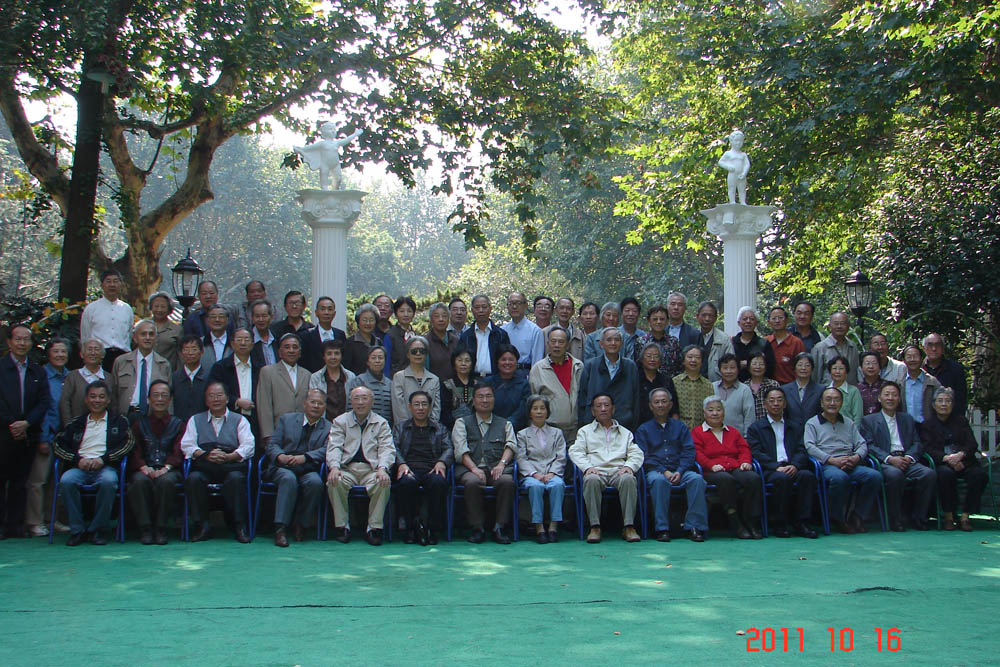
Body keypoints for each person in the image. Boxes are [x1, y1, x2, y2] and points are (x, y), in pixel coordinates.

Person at [53, 380, 131, 545]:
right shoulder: (76, 423)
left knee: (109, 481)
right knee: (66, 481)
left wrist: (103, 459)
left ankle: (97, 530)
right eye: (93, 396)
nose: (97, 400)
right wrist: (77, 460)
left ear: (108, 400)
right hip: (79, 466)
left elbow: (128, 444)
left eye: (101, 397)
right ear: (86, 400)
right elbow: (58, 444)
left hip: (106, 467)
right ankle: (77, 530)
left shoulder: (119, 421)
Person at [181, 381, 255, 542]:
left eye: (219, 395)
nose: (216, 399)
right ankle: (202, 526)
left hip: (230, 466)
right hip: (205, 465)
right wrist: (206, 454)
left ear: (227, 398)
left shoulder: (240, 420)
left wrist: (230, 456)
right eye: (211, 396)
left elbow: (249, 446)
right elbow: (187, 445)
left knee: (236, 479)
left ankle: (239, 526)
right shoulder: (195, 420)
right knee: (193, 479)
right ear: (206, 400)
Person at [860, 382, 936, 531]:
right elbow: (869, 445)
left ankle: (919, 518)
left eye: (894, 395)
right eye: (887, 394)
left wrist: (909, 457)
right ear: (879, 398)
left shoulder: (907, 419)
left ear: (899, 399)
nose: (890, 398)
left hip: (907, 460)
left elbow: (917, 442)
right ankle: (895, 519)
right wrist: (889, 459)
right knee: (895, 475)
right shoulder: (869, 420)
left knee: (928, 474)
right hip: (886, 462)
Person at [634, 388, 708, 542]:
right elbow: (643, 456)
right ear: (650, 406)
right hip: (655, 470)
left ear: (670, 405)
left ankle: (694, 527)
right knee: (659, 481)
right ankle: (662, 528)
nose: (660, 405)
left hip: (680, 470)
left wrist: (680, 471)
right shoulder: (643, 430)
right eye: (656, 402)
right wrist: (664, 471)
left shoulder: (680, 427)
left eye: (664, 401)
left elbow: (689, 452)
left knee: (697, 480)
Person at [804, 387, 881, 534]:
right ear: (821, 403)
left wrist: (856, 457)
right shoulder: (812, 423)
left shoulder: (848, 422)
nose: (832, 403)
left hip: (850, 462)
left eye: (836, 400)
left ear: (841, 403)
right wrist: (831, 460)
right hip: (827, 465)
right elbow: (810, 447)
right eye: (828, 399)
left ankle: (857, 515)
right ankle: (837, 518)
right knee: (839, 478)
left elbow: (862, 444)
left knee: (874, 476)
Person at [326, 386, 395, 545]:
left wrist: (383, 468)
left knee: (383, 482)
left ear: (372, 401)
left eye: (364, 398)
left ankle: (374, 528)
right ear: (350, 402)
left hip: (371, 470)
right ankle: (342, 527)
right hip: (347, 469)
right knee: (334, 481)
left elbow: (387, 448)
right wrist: (334, 467)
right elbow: (334, 446)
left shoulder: (381, 423)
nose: (360, 402)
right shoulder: (340, 421)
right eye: (356, 398)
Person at [570, 393, 643, 543]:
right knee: (590, 479)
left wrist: (629, 466)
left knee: (629, 479)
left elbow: (636, 453)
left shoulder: (625, 433)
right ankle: (595, 527)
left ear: (613, 409)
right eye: (599, 406)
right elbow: (575, 451)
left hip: (618, 470)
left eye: (606, 405)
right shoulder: (585, 431)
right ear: (593, 411)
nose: (603, 409)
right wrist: (587, 467)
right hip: (596, 470)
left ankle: (629, 526)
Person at [745, 388, 818, 538]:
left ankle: (802, 522)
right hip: (770, 469)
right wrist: (775, 466)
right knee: (782, 479)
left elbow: (802, 449)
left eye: (779, 400)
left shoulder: (795, 426)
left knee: (807, 476)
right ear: (765, 404)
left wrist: (795, 465)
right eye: (771, 400)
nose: (776, 404)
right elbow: (756, 453)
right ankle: (779, 523)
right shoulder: (756, 428)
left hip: (792, 466)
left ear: (785, 404)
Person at [0, 324, 51, 538]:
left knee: (21, 481)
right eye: (18, 339)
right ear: (9, 342)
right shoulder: (1, 367)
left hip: (28, 433)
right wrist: (13, 424)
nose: (22, 343)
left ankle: (15, 524)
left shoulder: (37, 370)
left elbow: (44, 401)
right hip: (4, 433)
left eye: (26, 339)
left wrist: (26, 423)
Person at [451, 383, 517, 544]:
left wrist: (501, 464)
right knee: (472, 482)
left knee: (507, 482)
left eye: (488, 396)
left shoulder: (505, 424)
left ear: (494, 399)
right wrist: (474, 468)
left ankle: (499, 527)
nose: (485, 400)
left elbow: (511, 446)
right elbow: (460, 450)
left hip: (496, 467)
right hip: (469, 468)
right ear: (473, 401)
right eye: (480, 397)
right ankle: (477, 527)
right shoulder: (462, 422)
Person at [264, 389, 329, 547]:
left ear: (325, 407)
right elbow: (272, 444)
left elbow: (327, 449)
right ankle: (280, 528)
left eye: (320, 403)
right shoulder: (287, 419)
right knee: (288, 479)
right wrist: (280, 456)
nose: (316, 406)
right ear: (304, 404)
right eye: (312, 402)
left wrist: (305, 457)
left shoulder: (329, 427)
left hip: (307, 467)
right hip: (283, 466)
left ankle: (301, 525)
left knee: (315, 483)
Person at [692, 396, 763, 539]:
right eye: (710, 410)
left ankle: (751, 522)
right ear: (704, 414)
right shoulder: (697, 432)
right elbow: (697, 453)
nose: (715, 413)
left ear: (724, 413)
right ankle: (736, 522)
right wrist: (711, 465)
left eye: (718, 410)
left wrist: (745, 461)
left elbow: (743, 448)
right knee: (726, 480)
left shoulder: (732, 431)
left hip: (734, 466)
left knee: (753, 478)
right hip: (711, 470)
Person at [920, 387, 988, 531]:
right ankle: (948, 516)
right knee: (945, 475)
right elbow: (927, 448)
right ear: (934, 405)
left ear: (953, 404)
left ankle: (965, 516)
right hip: (942, 463)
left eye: (947, 401)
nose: (944, 404)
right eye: (940, 401)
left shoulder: (961, 421)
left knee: (979, 475)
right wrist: (947, 459)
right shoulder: (927, 425)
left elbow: (972, 444)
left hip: (964, 462)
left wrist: (960, 456)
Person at [392, 390, 452, 545]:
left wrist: (442, 462)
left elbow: (449, 448)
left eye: (424, 404)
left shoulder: (440, 428)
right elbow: (393, 448)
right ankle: (411, 527)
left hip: (432, 468)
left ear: (430, 407)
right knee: (406, 483)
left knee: (439, 482)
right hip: (409, 468)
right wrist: (401, 463)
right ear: (410, 407)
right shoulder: (400, 428)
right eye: (416, 404)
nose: (420, 408)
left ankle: (432, 528)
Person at [127, 380, 183, 545]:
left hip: (169, 469)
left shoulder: (178, 424)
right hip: (144, 469)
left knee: (166, 482)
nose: (160, 399)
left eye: (164, 395)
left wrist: (166, 468)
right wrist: (144, 467)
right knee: (139, 482)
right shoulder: (139, 424)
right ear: (148, 399)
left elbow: (179, 450)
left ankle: (161, 528)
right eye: (155, 395)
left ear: (170, 399)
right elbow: (134, 450)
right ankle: (145, 528)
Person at [25, 338, 69, 537]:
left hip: (63, 438)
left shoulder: (69, 376)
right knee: (38, 480)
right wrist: (42, 438)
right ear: (48, 354)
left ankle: (52, 519)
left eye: (63, 351)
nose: (60, 355)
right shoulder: (41, 375)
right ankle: (34, 521)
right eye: (56, 351)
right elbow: (41, 408)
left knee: (55, 480)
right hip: (46, 434)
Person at [516, 395, 566, 544]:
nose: (539, 412)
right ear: (529, 412)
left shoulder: (557, 433)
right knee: (535, 486)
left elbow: (561, 456)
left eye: (542, 408)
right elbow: (521, 458)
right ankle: (539, 528)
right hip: (532, 474)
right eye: (535, 408)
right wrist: (535, 474)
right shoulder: (522, 434)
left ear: (547, 412)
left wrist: (552, 473)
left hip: (552, 472)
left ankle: (553, 527)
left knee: (558, 485)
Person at [578, 327, 641, 431]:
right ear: (601, 344)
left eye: (617, 340)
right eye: (609, 340)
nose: (613, 343)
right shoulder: (591, 366)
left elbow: (636, 399)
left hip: (624, 424)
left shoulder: (630, 366)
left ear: (621, 343)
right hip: (595, 426)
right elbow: (582, 398)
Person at [529, 326, 583, 444]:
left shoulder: (578, 366)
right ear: (548, 343)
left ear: (568, 345)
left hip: (576, 429)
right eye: (553, 341)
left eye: (561, 342)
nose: (556, 345)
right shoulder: (538, 369)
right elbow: (533, 400)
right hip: (549, 430)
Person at [110, 319, 172, 421]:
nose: (147, 337)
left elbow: (169, 396)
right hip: (126, 415)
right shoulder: (121, 362)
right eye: (143, 334)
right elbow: (113, 395)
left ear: (156, 338)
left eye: (151, 334)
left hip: (154, 416)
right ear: (135, 338)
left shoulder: (164, 364)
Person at [257, 333, 312, 442]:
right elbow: (264, 406)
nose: (291, 350)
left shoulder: (307, 374)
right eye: (287, 347)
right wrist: (268, 436)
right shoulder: (268, 372)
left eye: (295, 347)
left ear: (300, 352)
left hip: (302, 434)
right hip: (278, 432)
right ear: (279, 352)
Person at [208, 328, 261, 433]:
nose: (243, 343)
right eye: (239, 339)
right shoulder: (220, 367)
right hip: (228, 419)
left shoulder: (260, 367)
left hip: (255, 420)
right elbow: (212, 392)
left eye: (246, 340)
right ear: (232, 344)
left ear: (252, 344)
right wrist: (236, 401)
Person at [80, 269, 134, 371]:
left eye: (115, 281)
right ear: (102, 285)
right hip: (99, 357)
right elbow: (85, 336)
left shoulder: (127, 309)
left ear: (121, 284)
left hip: (123, 357)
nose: (112, 285)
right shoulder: (91, 309)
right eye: (108, 281)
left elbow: (129, 335)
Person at [391, 336, 441, 425]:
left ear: (426, 354)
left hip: (429, 429)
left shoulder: (434, 379)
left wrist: (430, 427)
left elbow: (436, 408)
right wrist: (407, 427)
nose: (418, 353)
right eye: (414, 351)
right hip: (405, 429)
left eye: (422, 351)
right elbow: (398, 408)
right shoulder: (399, 377)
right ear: (408, 354)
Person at [460, 294, 512, 378]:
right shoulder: (466, 336)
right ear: (472, 310)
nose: (481, 310)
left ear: (490, 309)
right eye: (477, 307)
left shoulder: (501, 334)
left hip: (496, 379)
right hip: (473, 379)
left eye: (484, 307)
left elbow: (507, 359)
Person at [483, 344, 530, 430]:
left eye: (511, 360)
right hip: (489, 428)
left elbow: (522, 411)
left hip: (516, 430)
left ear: (516, 362)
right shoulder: (487, 383)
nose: (507, 363)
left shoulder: (524, 385)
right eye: (503, 359)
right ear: (497, 362)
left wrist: (508, 425)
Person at [59, 339, 106, 425]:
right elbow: (65, 402)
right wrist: (69, 425)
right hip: (77, 427)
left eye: (96, 349)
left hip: (103, 426)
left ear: (102, 355)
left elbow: (113, 405)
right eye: (89, 349)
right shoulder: (72, 376)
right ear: (81, 354)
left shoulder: (109, 378)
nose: (93, 353)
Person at [922, 333, 969, 417]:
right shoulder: (919, 370)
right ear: (924, 348)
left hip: (949, 420)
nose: (934, 349)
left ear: (943, 348)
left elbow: (961, 400)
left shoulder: (955, 370)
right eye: (930, 345)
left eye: (937, 345)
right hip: (923, 420)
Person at [308, 339, 356, 421]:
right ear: (324, 357)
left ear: (341, 356)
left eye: (336, 353)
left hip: (346, 423)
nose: (333, 357)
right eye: (329, 354)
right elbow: (314, 403)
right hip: (323, 423)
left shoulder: (350, 376)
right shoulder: (316, 377)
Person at [346, 345, 393, 425]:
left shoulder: (390, 383)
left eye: (380, 358)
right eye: (373, 358)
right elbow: (351, 406)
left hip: (385, 427)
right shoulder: (359, 381)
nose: (377, 361)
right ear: (367, 362)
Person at [501, 291, 545, 374]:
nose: (514, 307)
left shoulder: (535, 331)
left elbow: (537, 361)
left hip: (525, 373)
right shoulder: (502, 330)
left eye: (518, 303)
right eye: (511, 303)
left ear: (525, 305)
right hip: (504, 373)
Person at [300, 296, 347, 373]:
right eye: (322, 309)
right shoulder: (306, 336)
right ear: (316, 313)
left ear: (334, 314)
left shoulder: (340, 334)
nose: (326, 312)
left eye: (330, 309)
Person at [673, 345, 715, 430]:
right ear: (683, 360)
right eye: (690, 357)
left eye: (697, 357)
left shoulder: (708, 385)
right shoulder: (675, 382)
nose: (693, 360)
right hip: (679, 431)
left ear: (702, 362)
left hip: (701, 432)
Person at [636, 342, 679, 426]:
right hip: (638, 425)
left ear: (660, 361)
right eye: (649, 356)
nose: (652, 359)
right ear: (642, 359)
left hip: (663, 425)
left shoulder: (666, 380)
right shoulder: (634, 379)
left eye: (656, 356)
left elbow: (674, 409)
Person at [811, 312, 859, 385]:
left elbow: (855, 371)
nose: (839, 326)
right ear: (830, 326)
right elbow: (815, 376)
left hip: (849, 390)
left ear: (848, 326)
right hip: (827, 391)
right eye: (836, 324)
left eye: (842, 323)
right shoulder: (820, 347)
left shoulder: (852, 346)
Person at [171, 335, 210, 424]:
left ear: (201, 351)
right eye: (186, 349)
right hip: (179, 424)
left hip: (203, 423)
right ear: (181, 353)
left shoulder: (208, 377)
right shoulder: (175, 377)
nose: (190, 353)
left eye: (194, 349)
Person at [635, 304, 681, 378]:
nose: (659, 322)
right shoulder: (641, 342)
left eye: (662, 319)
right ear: (649, 321)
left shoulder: (673, 342)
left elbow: (679, 367)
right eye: (655, 319)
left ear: (667, 321)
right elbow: (637, 366)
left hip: (669, 383)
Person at [713, 354, 755, 434]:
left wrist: (747, 437)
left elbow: (749, 417)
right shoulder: (712, 387)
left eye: (732, 368)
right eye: (725, 368)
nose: (728, 371)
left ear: (738, 369)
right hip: (713, 436)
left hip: (737, 437)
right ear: (720, 370)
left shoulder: (744, 390)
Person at [781, 352, 822, 433]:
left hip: (814, 432)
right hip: (791, 432)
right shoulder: (785, 389)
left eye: (807, 365)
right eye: (800, 365)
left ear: (812, 368)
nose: (803, 368)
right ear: (794, 368)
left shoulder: (820, 390)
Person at [731, 307, 775, 382]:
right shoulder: (731, 342)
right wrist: (739, 364)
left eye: (751, 319)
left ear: (756, 323)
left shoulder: (764, 343)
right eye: (745, 319)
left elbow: (770, 367)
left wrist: (748, 364)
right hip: (734, 384)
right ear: (739, 323)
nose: (748, 321)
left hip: (758, 384)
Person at [900, 345, 940, 424]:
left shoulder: (932, 382)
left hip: (927, 427)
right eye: (909, 357)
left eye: (915, 356)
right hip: (905, 427)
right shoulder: (899, 382)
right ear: (904, 360)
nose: (912, 359)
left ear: (921, 359)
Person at [693, 301, 733, 381]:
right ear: (697, 316)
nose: (707, 319)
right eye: (704, 315)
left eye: (710, 316)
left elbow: (730, 363)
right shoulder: (692, 336)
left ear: (715, 318)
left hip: (717, 383)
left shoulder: (724, 339)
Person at [766, 306, 805, 384]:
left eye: (780, 318)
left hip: (790, 386)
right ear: (769, 322)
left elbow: (802, 366)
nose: (777, 321)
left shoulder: (796, 342)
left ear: (787, 320)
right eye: (774, 318)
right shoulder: (765, 341)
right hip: (768, 386)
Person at [342, 303, 381, 376]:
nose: (368, 323)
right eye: (364, 320)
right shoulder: (350, 343)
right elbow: (345, 369)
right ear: (358, 322)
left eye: (371, 320)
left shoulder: (379, 342)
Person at [383, 295, 418, 377]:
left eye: (409, 311)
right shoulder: (390, 336)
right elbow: (386, 363)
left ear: (413, 314)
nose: (406, 314)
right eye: (401, 311)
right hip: (396, 379)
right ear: (396, 314)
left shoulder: (416, 336)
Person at [441, 347, 475, 429]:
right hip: (452, 428)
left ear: (472, 364)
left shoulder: (477, 385)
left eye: (467, 360)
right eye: (459, 360)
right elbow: (444, 412)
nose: (463, 364)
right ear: (454, 363)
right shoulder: (447, 385)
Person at [426, 302, 459, 381]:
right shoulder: (425, 342)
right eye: (436, 316)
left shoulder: (456, 341)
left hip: (455, 385)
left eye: (444, 316)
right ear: (431, 320)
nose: (441, 319)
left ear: (449, 319)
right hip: (434, 385)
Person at [744, 351, 781, 421]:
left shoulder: (773, 385)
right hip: (750, 425)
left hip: (770, 424)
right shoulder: (744, 387)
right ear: (748, 367)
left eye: (761, 364)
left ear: (766, 367)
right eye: (754, 364)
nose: (758, 367)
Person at [149, 291, 181, 370]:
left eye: (163, 307)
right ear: (151, 307)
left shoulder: (177, 329)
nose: (159, 310)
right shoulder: (143, 327)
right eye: (156, 306)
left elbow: (181, 355)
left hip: (168, 371)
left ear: (169, 309)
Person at [718, 129, 750, 204]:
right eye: (736, 140)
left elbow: (747, 164)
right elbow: (721, 162)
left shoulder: (743, 155)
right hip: (732, 174)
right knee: (732, 188)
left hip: (741, 175)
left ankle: (743, 202)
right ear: (732, 141)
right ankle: (732, 201)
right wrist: (728, 167)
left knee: (742, 189)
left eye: (740, 141)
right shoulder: (728, 153)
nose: (738, 143)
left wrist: (744, 173)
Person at [827, 356, 861, 424]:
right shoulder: (825, 391)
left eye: (841, 368)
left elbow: (858, 417)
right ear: (830, 371)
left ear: (846, 372)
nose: (837, 371)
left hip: (848, 429)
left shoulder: (854, 391)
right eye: (834, 368)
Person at [199, 304, 234, 369]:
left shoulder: (235, 343)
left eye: (221, 317)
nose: (217, 320)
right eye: (213, 317)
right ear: (207, 321)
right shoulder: (199, 343)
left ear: (227, 320)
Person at [249, 299, 279, 367]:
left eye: (264, 316)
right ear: (252, 318)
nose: (261, 319)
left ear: (271, 317)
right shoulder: (248, 340)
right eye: (257, 316)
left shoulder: (277, 338)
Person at [857, 351, 888, 416]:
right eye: (867, 363)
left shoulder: (887, 386)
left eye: (874, 363)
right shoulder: (856, 389)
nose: (871, 366)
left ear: (880, 366)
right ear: (861, 367)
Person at [617, 297, 646, 361]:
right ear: (621, 313)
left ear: (638, 314)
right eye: (627, 311)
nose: (630, 314)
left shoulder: (643, 336)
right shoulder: (615, 334)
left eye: (634, 311)